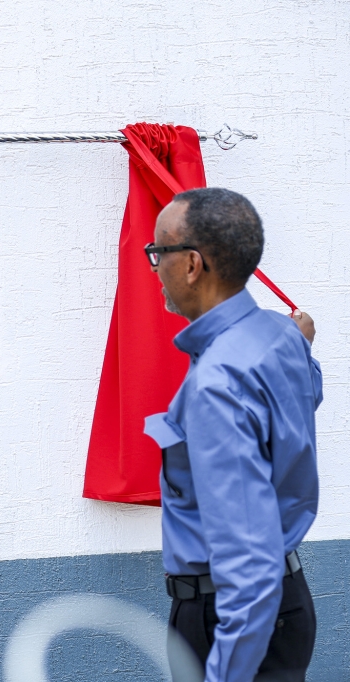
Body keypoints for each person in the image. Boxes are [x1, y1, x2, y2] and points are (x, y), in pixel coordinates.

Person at [142, 188, 322, 682]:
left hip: (232, 617)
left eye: (159, 252)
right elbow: (306, 392)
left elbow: (248, 561)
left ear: (193, 264)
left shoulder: (218, 383)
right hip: (285, 605)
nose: (154, 266)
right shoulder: (281, 336)